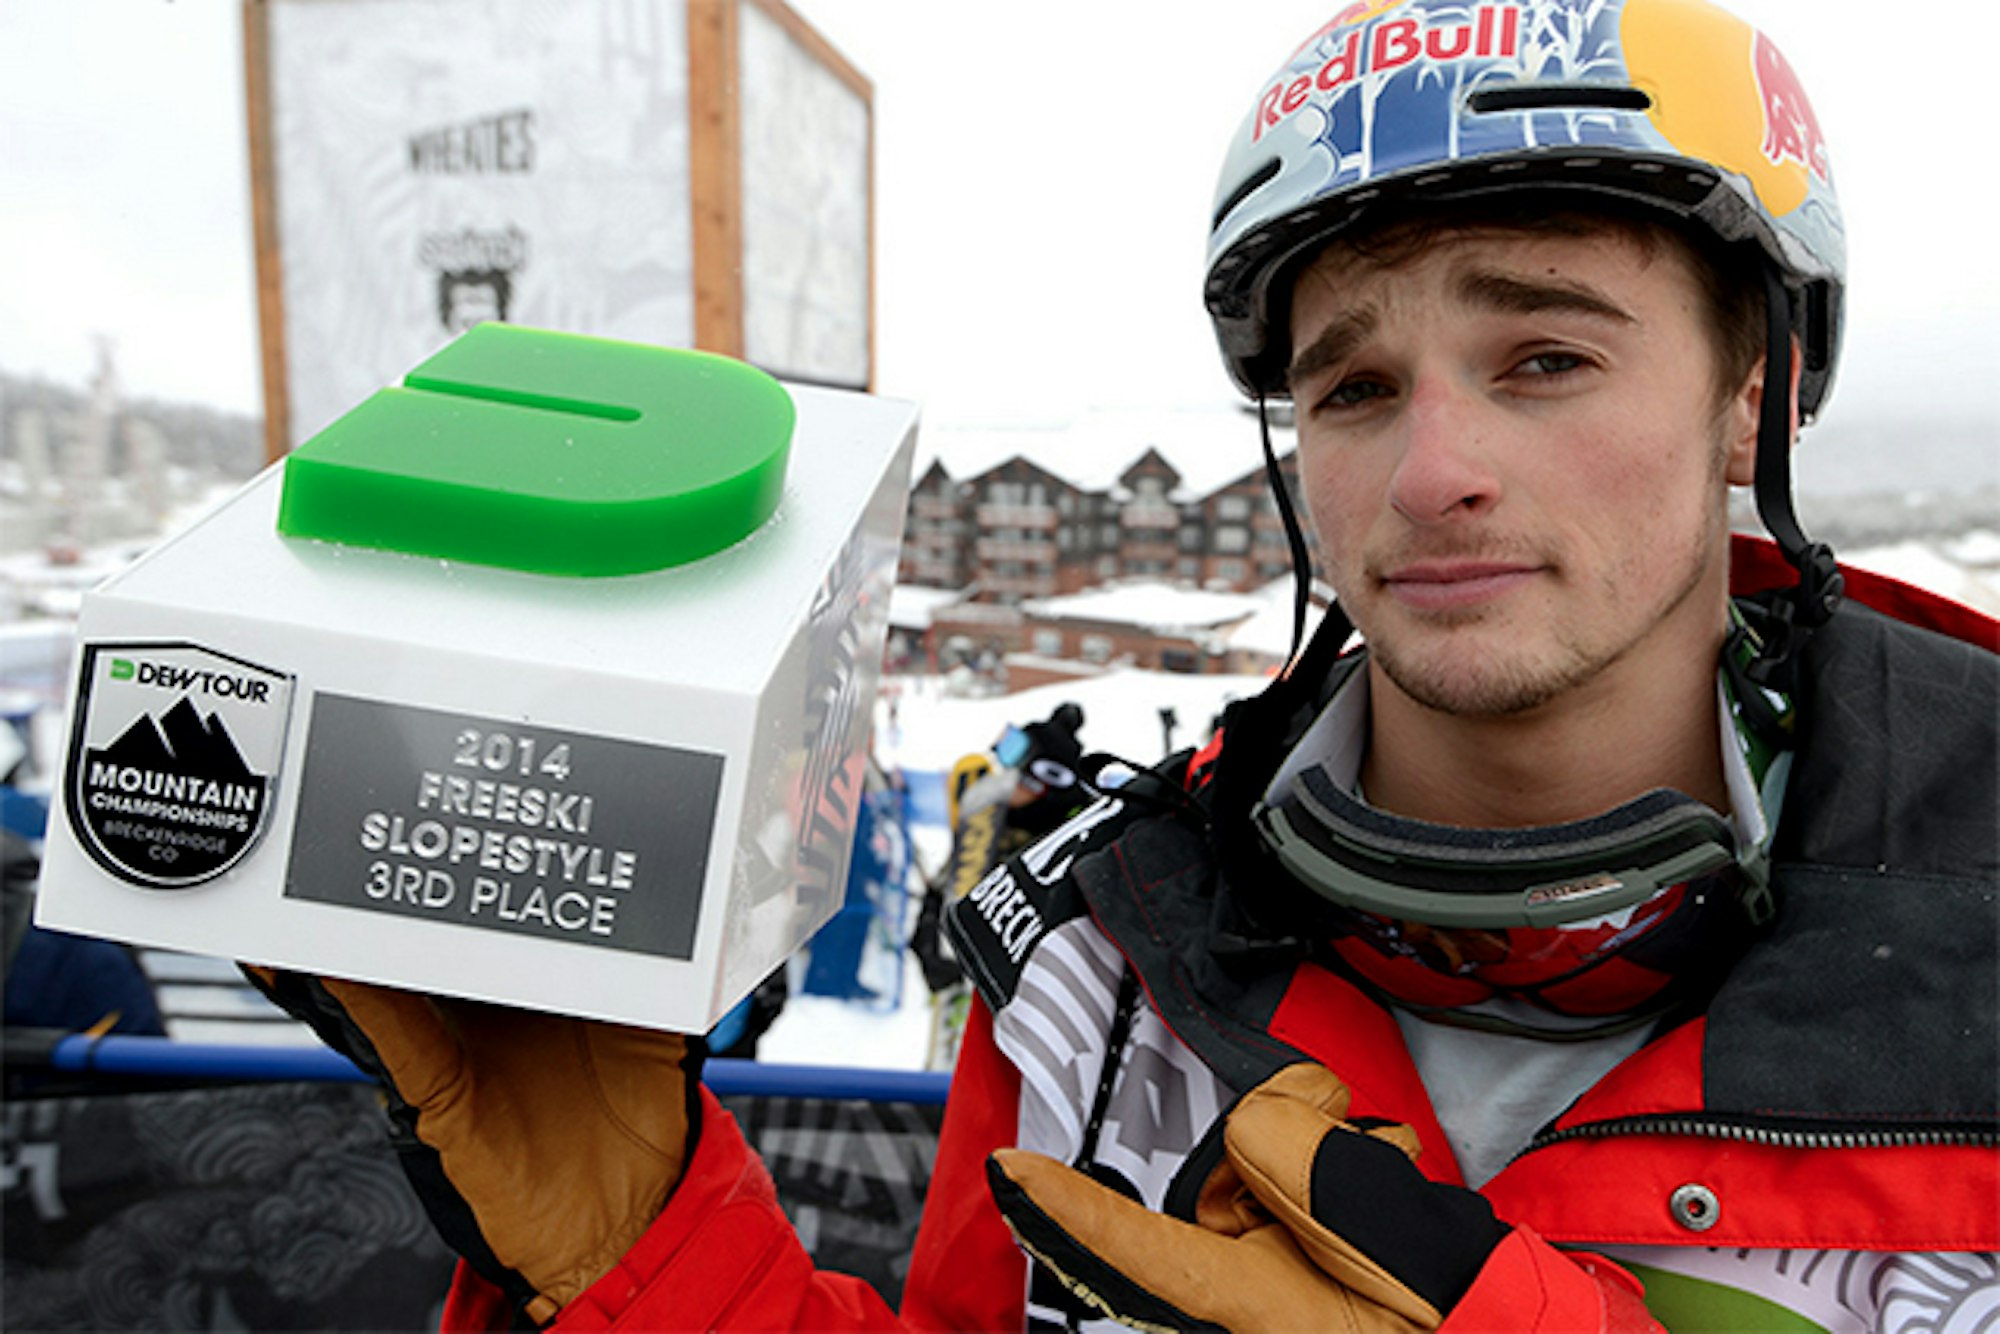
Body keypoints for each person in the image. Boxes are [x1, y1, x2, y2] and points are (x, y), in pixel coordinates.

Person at [251, 1, 1998, 1329]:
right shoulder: (1098, 962)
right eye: (1352, 385)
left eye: (1544, 353)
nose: (1431, 469)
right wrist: (654, 1257)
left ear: (1755, 386)